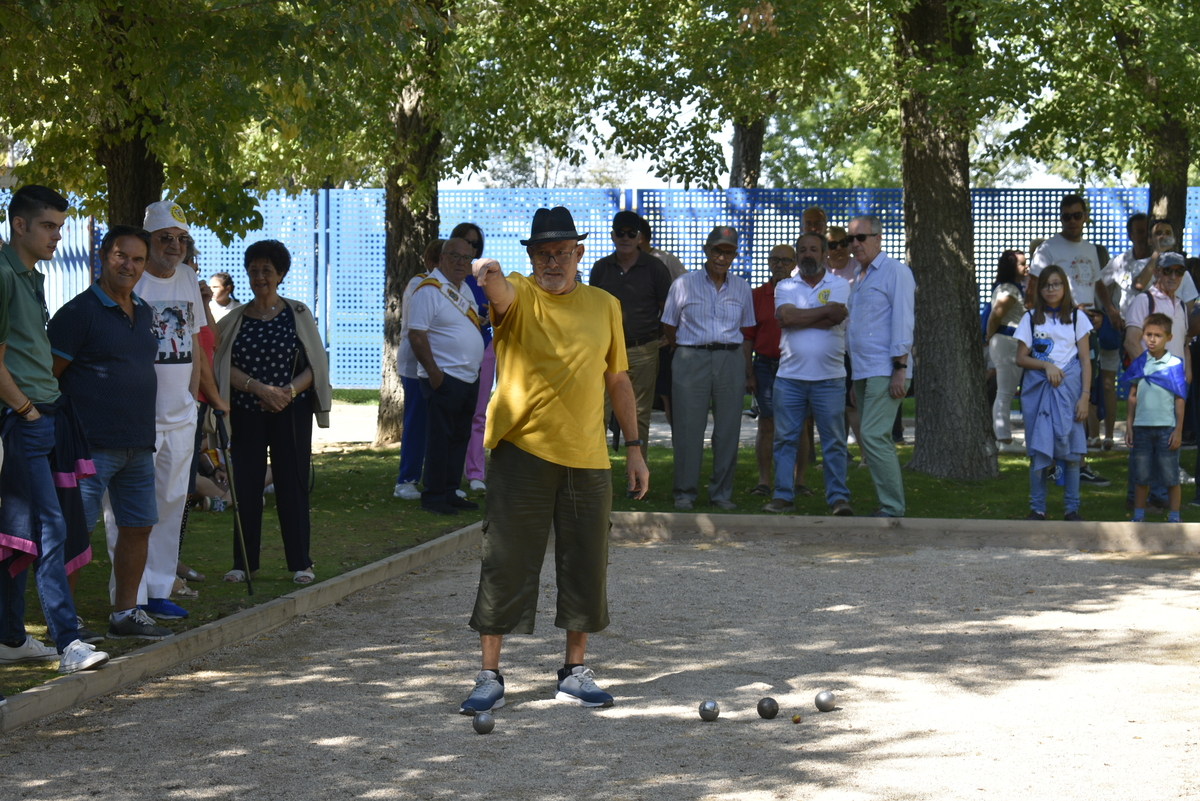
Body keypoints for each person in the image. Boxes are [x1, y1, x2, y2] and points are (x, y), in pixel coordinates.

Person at [461, 206, 648, 714]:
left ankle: (574, 671)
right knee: (505, 563)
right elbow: (498, 292)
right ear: (531, 256)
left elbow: (618, 380)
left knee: (586, 564)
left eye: (562, 252)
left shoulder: (605, 305)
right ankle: (489, 676)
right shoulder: (519, 294)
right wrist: (489, 273)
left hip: (586, 456)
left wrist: (634, 448)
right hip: (520, 451)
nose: (553, 262)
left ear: (579, 254)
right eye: (543, 253)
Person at [0, 184, 109, 673]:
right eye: (48, 226)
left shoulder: (30, 275)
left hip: (45, 418)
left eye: (60, 227)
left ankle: (9, 636)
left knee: (20, 533)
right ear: (18, 224)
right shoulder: (3, 275)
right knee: (49, 528)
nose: (56, 237)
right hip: (23, 420)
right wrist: (26, 410)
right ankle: (68, 643)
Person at [47, 225, 172, 640]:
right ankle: (64, 623)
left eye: (137, 259)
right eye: (121, 256)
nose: (129, 265)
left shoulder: (146, 312)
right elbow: (50, 377)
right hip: (87, 447)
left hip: (138, 443)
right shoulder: (77, 313)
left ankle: (125, 614)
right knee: (73, 535)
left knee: (138, 528)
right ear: (102, 256)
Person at [110, 200, 227, 622]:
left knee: (172, 502)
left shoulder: (188, 277)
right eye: (166, 238)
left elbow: (196, 346)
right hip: (136, 417)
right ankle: (130, 597)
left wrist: (211, 397)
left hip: (182, 414)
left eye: (181, 239)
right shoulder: (132, 280)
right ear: (149, 240)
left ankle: (159, 587)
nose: (174, 246)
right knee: (126, 512)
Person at [213, 240, 333, 585]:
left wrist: (288, 392)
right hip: (247, 412)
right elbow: (222, 366)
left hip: (290, 413)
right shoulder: (234, 319)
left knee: (292, 486)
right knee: (247, 487)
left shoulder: (297, 313)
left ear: (280, 274)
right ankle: (244, 563)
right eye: (253, 270)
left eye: (267, 270)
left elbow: (316, 364)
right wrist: (258, 388)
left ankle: (301, 562)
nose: (259, 276)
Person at [661, 225, 755, 511]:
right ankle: (684, 492)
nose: (722, 258)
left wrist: (747, 369)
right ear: (706, 250)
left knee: (728, 429)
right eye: (717, 250)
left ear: (735, 255)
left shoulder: (741, 287)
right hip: (691, 358)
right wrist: (688, 349)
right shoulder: (683, 284)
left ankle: (721, 493)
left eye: (728, 252)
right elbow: (668, 325)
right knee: (688, 427)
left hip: (730, 358)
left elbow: (747, 328)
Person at [1028, 193, 1115, 487]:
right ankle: (1052, 464)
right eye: (1066, 216)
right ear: (1061, 218)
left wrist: (1107, 311)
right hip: (1056, 333)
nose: (1072, 221)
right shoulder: (1048, 248)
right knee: (1051, 399)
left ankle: (1077, 463)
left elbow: (1098, 284)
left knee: (1082, 395)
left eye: (1077, 215)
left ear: (1085, 216)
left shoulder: (1090, 249)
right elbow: (1033, 290)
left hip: (1086, 328)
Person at [765, 233, 853, 516]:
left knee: (834, 441)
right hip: (790, 377)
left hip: (829, 378)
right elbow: (786, 318)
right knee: (785, 439)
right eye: (802, 250)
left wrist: (801, 316)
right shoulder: (786, 286)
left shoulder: (840, 284)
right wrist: (823, 312)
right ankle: (782, 495)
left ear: (824, 253)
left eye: (813, 249)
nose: (807, 254)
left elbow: (837, 317)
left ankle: (838, 498)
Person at [408, 237, 484, 516]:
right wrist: (434, 374)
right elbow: (416, 335)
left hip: (468, 377)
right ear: (441, 259)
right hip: (444, 377)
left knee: (459, 437)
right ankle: (433, 496)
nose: (461, 262)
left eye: (466, 257)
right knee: (440, 439)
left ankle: (450, 491)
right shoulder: (429, 290)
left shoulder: (463, 289)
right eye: (454, 256)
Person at [845, 215, 915, 518]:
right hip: (863, 370)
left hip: (886, 369)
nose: (855, 244)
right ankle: (887, 504)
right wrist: (852, 378)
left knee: (873, 435)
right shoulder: (859, 278)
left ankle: (893, 507)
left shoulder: (895, 272)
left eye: (861, 237)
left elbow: (903, 320)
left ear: (878, 238)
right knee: (872, 438)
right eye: (851, 239)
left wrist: (900, 367)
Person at [589, 210, 672, 449]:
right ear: (612, 236)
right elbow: (592, 310)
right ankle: (596, 478)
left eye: (631, 233)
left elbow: (667, 309)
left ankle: (637, 482)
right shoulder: (601, 268)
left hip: (643, 350)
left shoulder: (655, 268)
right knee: (598, 413)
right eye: (620, 233)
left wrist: (666, 336)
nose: (625, 238)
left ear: (639, 238)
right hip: (605, 352)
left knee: (639, 417)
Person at [1015, 264, 1091, 521]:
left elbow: (1085, 361)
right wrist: (1047, 365)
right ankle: (1037, 508)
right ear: (1040, 288)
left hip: (1070, 392)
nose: (1051, 289)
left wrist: (1084, 396)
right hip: (1039, 390)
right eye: (1047, 284)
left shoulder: (1078, 318)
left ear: (1064, 287)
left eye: (1057, 284)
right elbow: (1021, 358)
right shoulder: (1030, 317)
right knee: (1039, 450)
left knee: (1070, 453)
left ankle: (1072, 508)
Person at [1124, 252, 1192, 512]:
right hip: (1150, 381)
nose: (1173, 276)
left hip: (1174, 380)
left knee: (1167, 438)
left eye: (1179, 272)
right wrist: (1148, 375)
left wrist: (1187, 370)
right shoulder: (1145, 300)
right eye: (1168, 271)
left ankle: (1160, 497)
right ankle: (1135, 498)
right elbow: (1131, 340)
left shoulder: (1182, 305)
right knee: (1142, 439)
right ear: (1157, 272)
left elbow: (1182, 341)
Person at [1123, 313, 1187, 523]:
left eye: (1158, 335)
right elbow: (1132, 395)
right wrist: (1130, 425)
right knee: (1141, 475)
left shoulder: (1175, 364)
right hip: (1141, 428)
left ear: (1168, 338)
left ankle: (1175, 516)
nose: (1152, 339)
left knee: (1170, 475)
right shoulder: (1140, 363)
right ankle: (1139, 515)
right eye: (1148, 334)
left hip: (1167, 429)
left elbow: (1180, 398)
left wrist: (1178, 430)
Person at [743, 244, 795, 497]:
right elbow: (747, 338)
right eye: (774, 260)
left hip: (795, 365)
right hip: (764, 366)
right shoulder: (756, 295)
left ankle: (799, 481)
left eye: (785, 261)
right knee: (767, 423)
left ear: (794, 264)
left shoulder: (802, 293)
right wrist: (748, 373)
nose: (779, 265)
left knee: (800, 424)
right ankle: (764, 481)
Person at [393, 239, 442, 500]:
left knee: (436, 424)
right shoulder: (419, 284)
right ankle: (406, 480)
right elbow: (419, 328)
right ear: (432, 262)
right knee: (417, 421)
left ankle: (436, 478)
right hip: (416, 365)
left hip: (437, 363)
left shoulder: (447, 288)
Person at [454, 223, 492, 494]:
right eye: (465, 242)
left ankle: (476, 473)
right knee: (454, 414)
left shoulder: (485, 278)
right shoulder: (447, 279)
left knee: (479, 414)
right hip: (454, 352)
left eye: (475, 244)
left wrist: (491, 315)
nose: (471, 248)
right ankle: (449, 475)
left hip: (485, 347)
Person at [985, 250, 1028, 452]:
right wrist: (989, 335)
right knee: (1005, 392)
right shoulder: (1009, 290)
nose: (1026, 267)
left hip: (1008, 341)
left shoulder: (1010, 288)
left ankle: (1004, 438)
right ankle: (1003, 439)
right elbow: (996, 315)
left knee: (1006, 391)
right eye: (1022, 264)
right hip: (1007, 342)